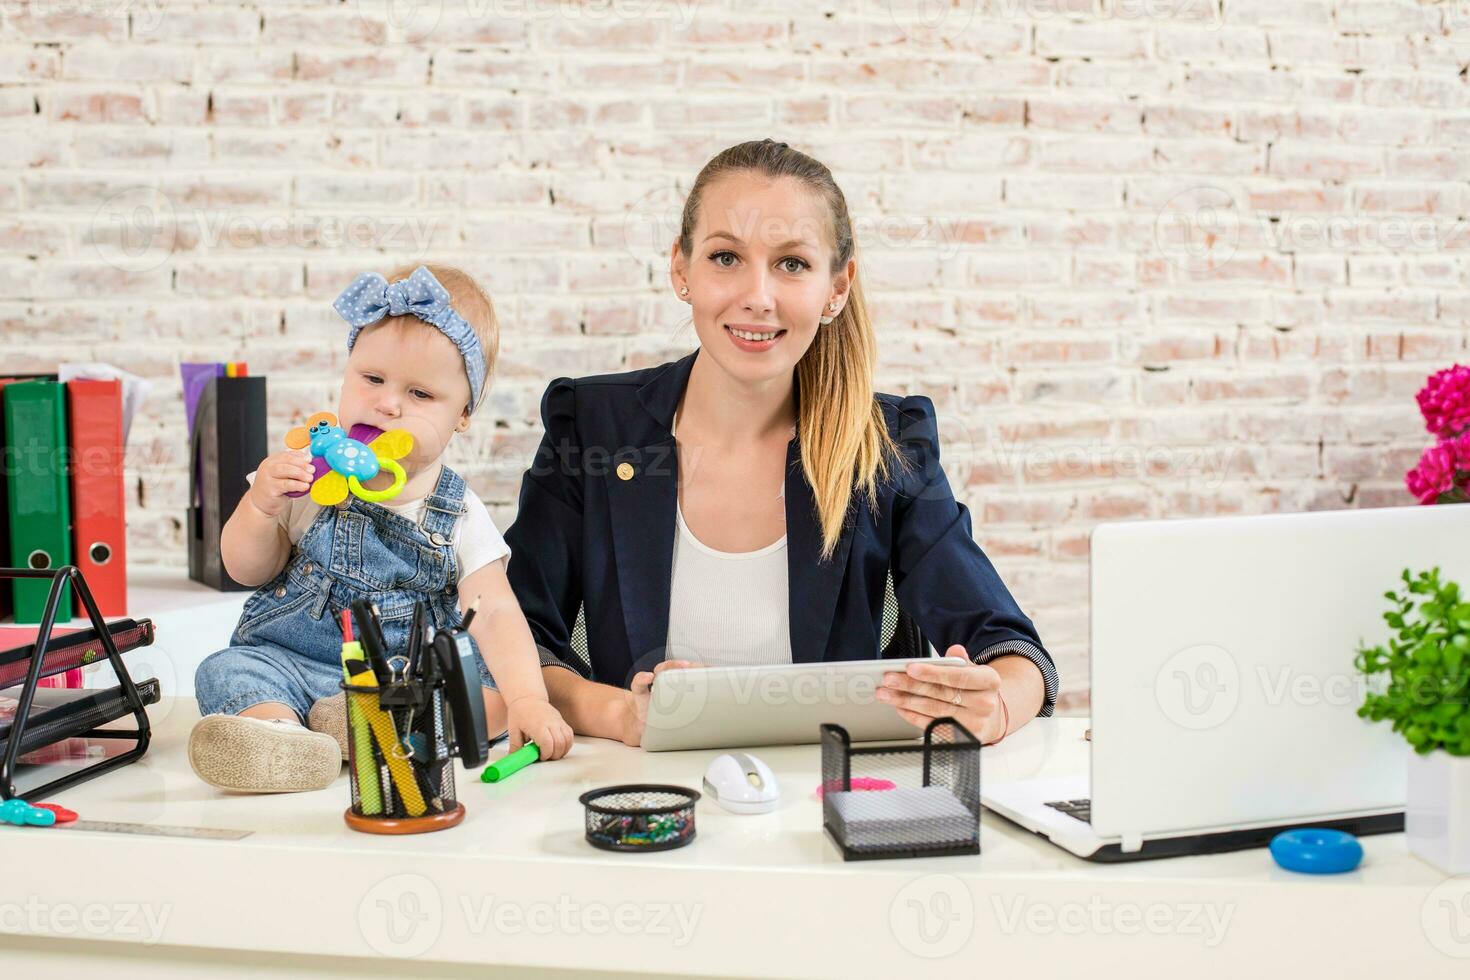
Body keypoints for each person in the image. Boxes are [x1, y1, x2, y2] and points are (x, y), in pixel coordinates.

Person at [503, 139, 1057, 748]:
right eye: (725, 257)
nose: (758, 296)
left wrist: (996, 705)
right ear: (680, 269)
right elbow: (516, 636)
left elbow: (1013, 649)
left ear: (837, 287)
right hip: (644, 799)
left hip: (823, 803)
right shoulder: (592, 426)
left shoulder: (888, 445)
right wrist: (621, 716)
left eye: (792, 263)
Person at [189, 264, 573, 793]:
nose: (388, 404)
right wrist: (259, 507)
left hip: (409, 681)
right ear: (347, 371)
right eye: (372, 379)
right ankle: (280, 736)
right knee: (225, 670)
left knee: (493, 696)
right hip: (298, 661)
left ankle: (358, 728)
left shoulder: (458, 511)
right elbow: (247, 569)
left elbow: (497, 610)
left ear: (462, 415)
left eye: (420, 395)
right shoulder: (306, 474)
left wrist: (530, 697)